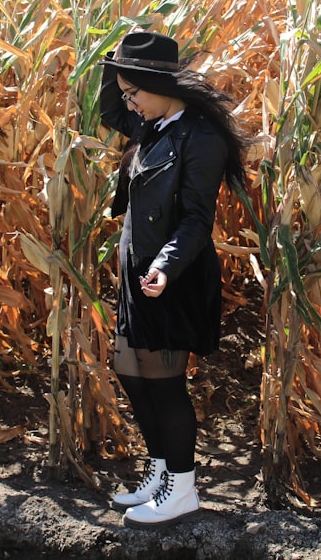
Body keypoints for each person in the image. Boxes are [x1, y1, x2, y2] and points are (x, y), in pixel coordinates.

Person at [97, 30, 246, 529]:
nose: (128, 103)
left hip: (170, 273)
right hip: (137, 266)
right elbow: (109, 110)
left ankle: (182, 488)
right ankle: (161, 472)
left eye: (134, 90)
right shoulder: (150, 122)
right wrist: (116, 64)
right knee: (130, 370)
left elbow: (196, 221)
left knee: (164, 384)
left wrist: (164, 265)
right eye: (125, 92)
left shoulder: (199, 138)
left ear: (158, 86)